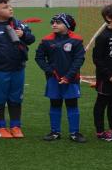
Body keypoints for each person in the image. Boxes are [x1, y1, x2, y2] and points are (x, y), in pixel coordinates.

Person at [0, 0, 35, 139]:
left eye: (9, 6)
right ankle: (1, 127)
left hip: (18, 68)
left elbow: (31, 39)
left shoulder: (18, 24)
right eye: (5, 7)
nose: (10, 8)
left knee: (16, 98)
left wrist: (24, 35)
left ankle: (16, 126)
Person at [35, 13, 86, 143]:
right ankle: (55, 132)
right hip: (54, 79)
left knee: (72, 104)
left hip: (72, 79)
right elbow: (39, 58)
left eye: (58, 22)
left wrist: (68, 76)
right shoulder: (46, 40)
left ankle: (75, 133)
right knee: (55, 104)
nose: (54, 25)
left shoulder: (77, 40)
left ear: (67, 25)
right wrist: (50, 71)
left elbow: (79, 59)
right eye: (53, 22)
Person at [93, 4, 112, 141]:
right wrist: (109, 75)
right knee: (102, 103)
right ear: (108, 17)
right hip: (106, 78)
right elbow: (97, 59)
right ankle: (100, 131)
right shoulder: (103, 37)